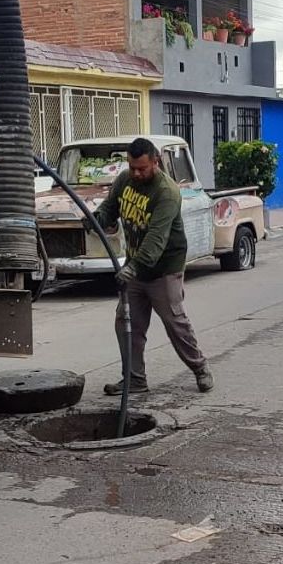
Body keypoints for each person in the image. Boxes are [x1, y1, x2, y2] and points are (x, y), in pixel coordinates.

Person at [91, 137, 213, 395]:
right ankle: (135, 379)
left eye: (142, 168)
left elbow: (156, 239)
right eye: (132, 167)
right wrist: (97, 219)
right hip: (135, 265)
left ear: (156, 162)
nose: (136, 173)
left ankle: (200, 368)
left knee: (174, 322)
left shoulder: (167, 192)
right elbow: (109, 209)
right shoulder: (124, 180)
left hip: (163, 268)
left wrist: (132, 268)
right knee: (127, 324)